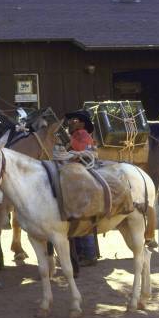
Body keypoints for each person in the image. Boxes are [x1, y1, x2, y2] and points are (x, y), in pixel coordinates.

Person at [64, 110, 99, 267]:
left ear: (83, 123)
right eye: (71, 120)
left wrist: (67, 145)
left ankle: (89, 254)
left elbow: (80, 151)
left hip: (83, 179)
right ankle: (79, 253)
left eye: (75, 120)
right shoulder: (76, 134)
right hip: (78, 176)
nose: (71, 122)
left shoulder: (82, 135)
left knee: (83, 217)